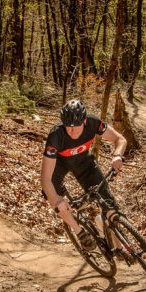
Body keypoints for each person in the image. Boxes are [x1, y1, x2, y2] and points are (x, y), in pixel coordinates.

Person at [41, 99, 127, 253]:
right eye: (68, 127)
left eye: (76, 127)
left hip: (83, 163)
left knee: (109, 205)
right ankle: (79, 232)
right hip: (59, 165)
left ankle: (120, 248)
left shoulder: (93, 123)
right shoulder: (56, 135)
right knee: (53, 197)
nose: (72, 131)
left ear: (85, 121)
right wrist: (56, 199)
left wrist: (117, 155)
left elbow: (120, 139)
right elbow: (45, 178)